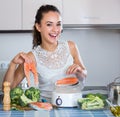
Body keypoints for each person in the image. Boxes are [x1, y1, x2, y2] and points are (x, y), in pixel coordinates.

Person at [2, 4, 87, 102]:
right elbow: (7, 90)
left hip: (74, 104)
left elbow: (84, 74)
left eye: (58, 24)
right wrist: (12, 64)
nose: (55, 29)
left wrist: (80, 71)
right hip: (48, 109)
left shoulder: (71, 46)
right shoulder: (32, 57)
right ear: (38, 27)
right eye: (49, 24)